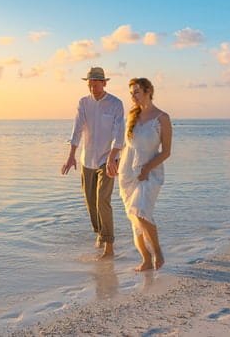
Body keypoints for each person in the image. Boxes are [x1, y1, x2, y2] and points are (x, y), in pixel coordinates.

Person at [61, 66, 125, 259]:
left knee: (102, 201)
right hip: (87, 160)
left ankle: (109, 246)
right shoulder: (83, 103)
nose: (93, 86)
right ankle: (99, 234)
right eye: (90, 83)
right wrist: (71, 155)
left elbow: (119, 132)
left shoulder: (115, 104)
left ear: (104, 83)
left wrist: (113, 156)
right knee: (90, 203)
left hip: (108, 160)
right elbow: (77, 129)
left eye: (96, 83)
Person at [117, 77, 171, 271]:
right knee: (134, 217)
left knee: (141, 212)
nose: (133, 96)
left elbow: (166, 151)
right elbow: (126, 146)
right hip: (128, 173)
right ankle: (146, 260)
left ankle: (157, 252)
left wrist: (147, 168)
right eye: (131, 93)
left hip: (150, 173)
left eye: (136, 92)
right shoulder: (132, 116)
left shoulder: (162, 118)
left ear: (148, 91)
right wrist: (113, 160)